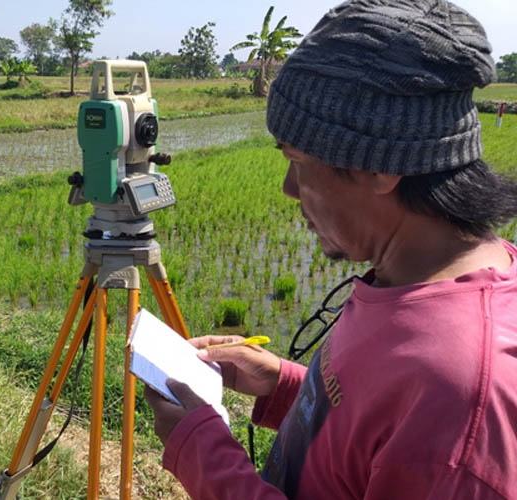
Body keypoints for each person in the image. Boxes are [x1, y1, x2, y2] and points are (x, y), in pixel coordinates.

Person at [144, 0, 517, 498]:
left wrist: (200, 450)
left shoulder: (461, 405)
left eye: (297, 160)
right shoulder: (405, 277)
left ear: (382, 166)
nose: (289, 188)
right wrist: (280, 385)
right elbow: (370, 429)